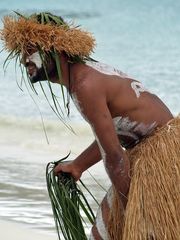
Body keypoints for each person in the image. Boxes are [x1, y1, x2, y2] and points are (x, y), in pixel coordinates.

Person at [1, 12, 179, 240]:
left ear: (57, 49)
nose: (24, 59)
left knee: (114, 231)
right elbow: (113, 133)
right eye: (21, 52)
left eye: (31, 50)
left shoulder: (84, 85)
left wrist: (134, 211)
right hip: (155, 148)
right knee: (104, 230)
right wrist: (79, 165)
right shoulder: (84, 74)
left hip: (163, 155)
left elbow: (114, 155)